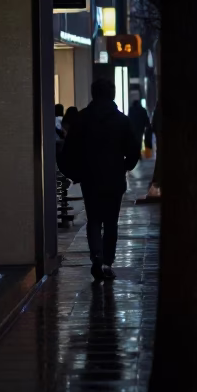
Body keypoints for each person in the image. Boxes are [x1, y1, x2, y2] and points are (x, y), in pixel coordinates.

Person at [60, 79, 140, 280]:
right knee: (111, 221)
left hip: (90, 177)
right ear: (112, 94)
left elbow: (68, 150)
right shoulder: (122, 120)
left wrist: (75, 172)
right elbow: (132, 151)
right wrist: (124, 166)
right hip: (114, 177)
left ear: (93, 94)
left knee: (94, 219)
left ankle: (96, 256)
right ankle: (107, 262)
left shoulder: (81, 119)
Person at [127, 89, 153, 154]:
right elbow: (145, 119)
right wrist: (148, 126)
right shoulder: (142, 110)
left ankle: (134, 152)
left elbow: (129, 118)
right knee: (139, 139)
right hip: (140, 128)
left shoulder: (131, 110)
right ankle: (138, 152)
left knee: (134, 140)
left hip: (133, 127)